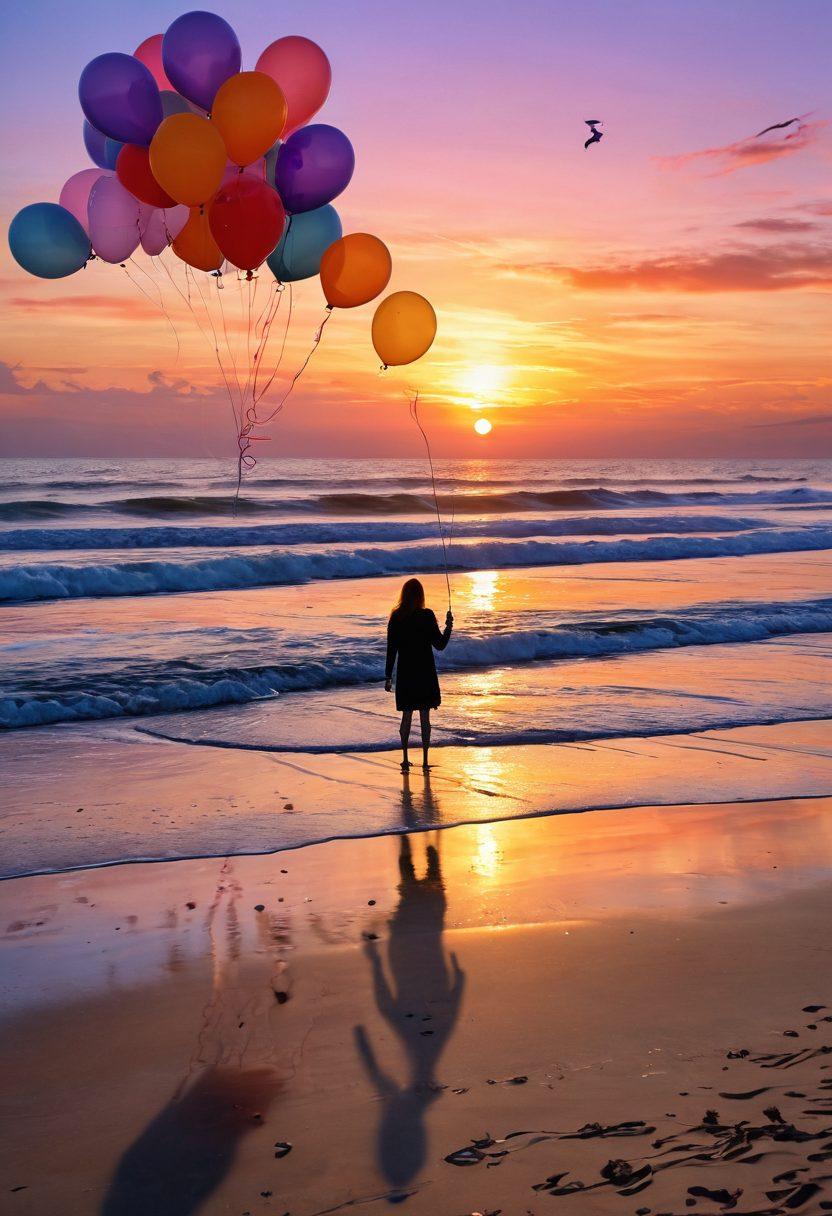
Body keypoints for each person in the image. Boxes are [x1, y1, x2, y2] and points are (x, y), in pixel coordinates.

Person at [385, 578, 453, 771]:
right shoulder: (427, 615)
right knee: (425, 718)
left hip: (406, 673)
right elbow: (440, 645)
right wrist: (449, 627)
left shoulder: (396, 617)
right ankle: (424, 761)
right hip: (425, 673)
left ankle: (405, 759)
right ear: (420, 595)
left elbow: (392, 650)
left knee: (406, 716)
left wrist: (388, 676)